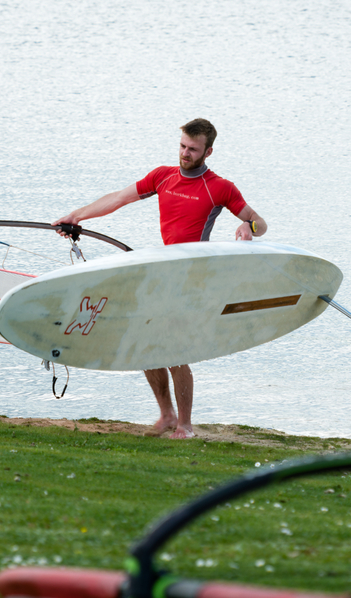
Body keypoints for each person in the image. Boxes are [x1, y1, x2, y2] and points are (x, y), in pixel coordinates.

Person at [53, 118, 267, 439]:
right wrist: (76, 216)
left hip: (193, 279)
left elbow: (259, 223)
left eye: (193, 149)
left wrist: (246, 228)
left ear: (208, 151)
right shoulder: (162, 176)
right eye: (182, 146)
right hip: (164, 273)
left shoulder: (219, 187)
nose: (185, 153)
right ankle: (166, 415)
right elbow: (118, 198)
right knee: (143, 342)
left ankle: (186, 425)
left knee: (174, 350)